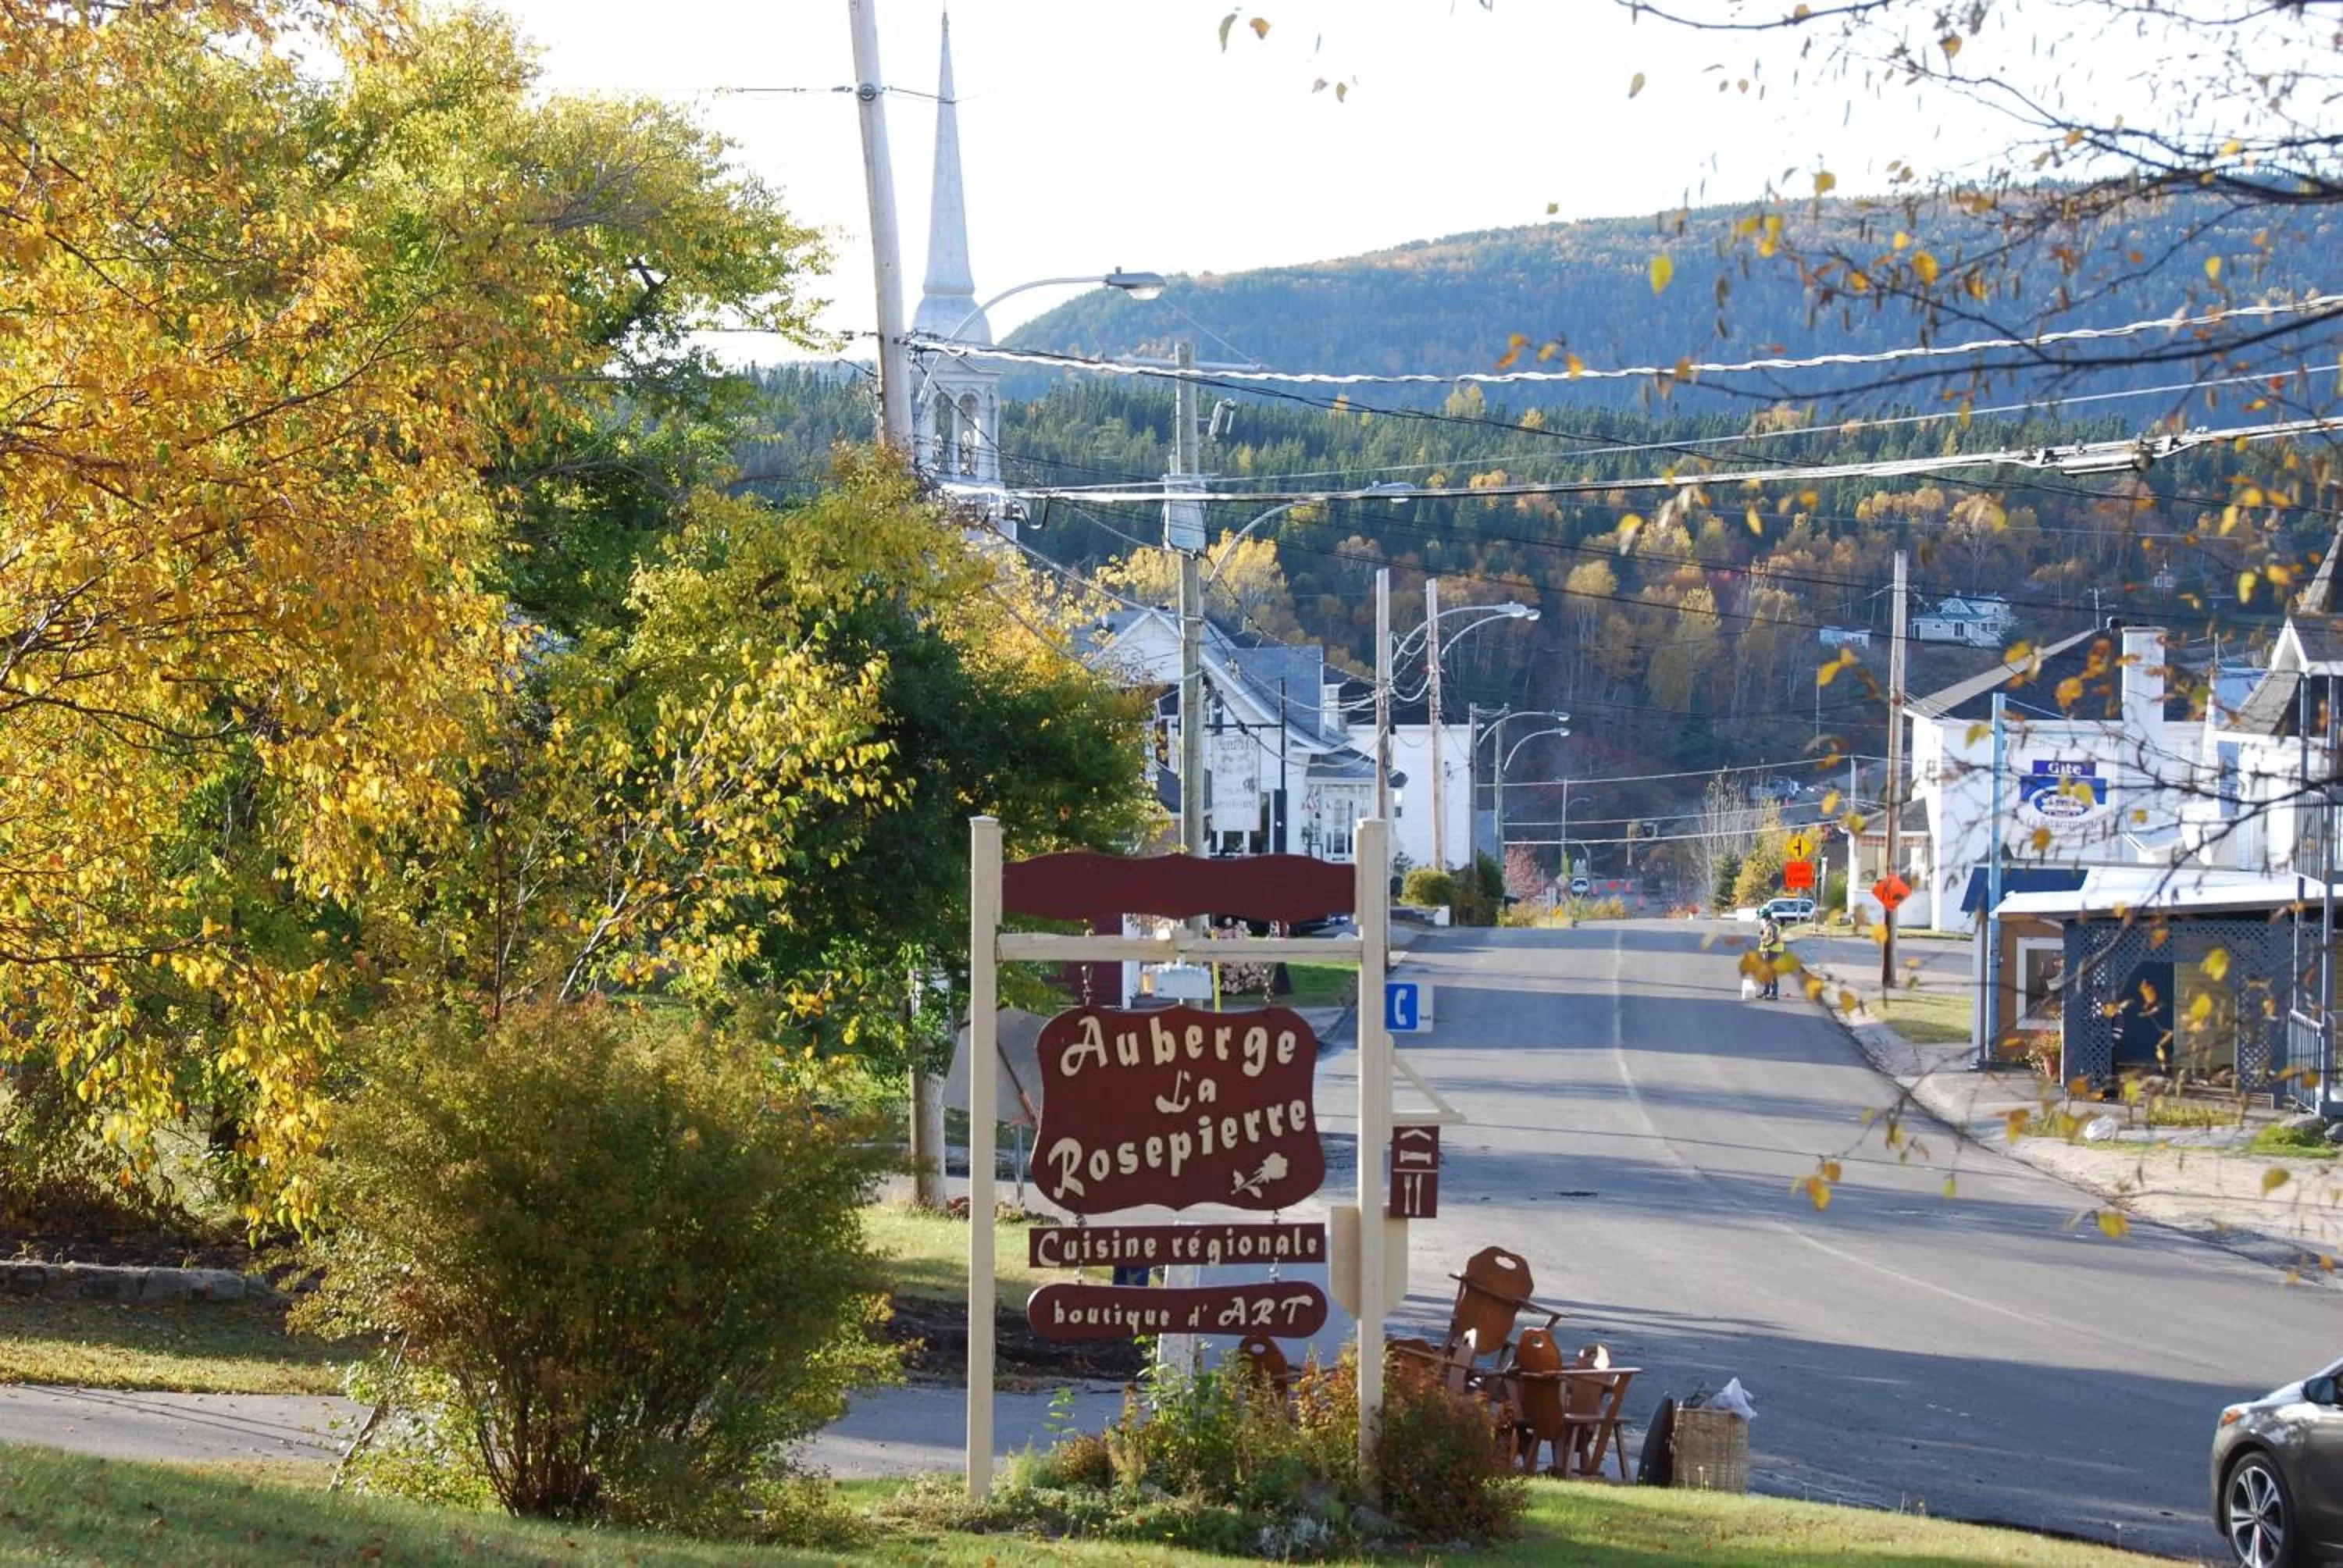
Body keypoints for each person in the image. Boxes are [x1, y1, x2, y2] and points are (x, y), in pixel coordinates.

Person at [1756, 914, 1784, 1000]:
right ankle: (1766, 991)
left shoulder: (1772, 926)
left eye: (1762, 919)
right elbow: (1768, 936)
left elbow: (1775, 939)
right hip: (1769, 951)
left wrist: (1767, 946)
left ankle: (1773, 993)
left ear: (1766, 919)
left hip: (1772, 951)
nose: (1761, 921)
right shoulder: (1770, 926)